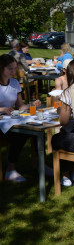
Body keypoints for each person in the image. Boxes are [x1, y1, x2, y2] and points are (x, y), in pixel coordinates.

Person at [0, 54, 41, 182]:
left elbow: (19, 106)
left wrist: (31, 105)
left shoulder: (14, 82)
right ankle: (10, 170)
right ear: (1, 68)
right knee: (20, 134)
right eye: (10, 69)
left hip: (9, 122)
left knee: (37, 130)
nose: (13, 71)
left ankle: (40, 164)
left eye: (14, 68)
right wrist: (1, 109)